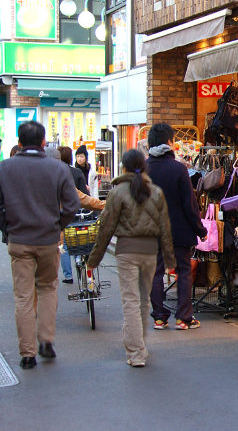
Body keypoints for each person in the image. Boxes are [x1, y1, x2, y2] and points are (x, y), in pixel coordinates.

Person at [0, 121, 80, 369]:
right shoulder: (56, 169)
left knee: (23, 297)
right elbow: (72, 206)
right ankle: (46, 339)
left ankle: (27, 354)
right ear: (44, 142)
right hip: (47, 239)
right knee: (47, 288)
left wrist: (7, 227)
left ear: (20, 142)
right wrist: (58, 226)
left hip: (19, 240)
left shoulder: (5, 168)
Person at [86, 149, 175, 367]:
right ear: (144, 167)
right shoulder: (156, 192)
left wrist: (94, 259)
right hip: (150, 252)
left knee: (131, 301)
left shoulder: (117, 193)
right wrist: (171, 260)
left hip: (127, 251)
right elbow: (165, 228)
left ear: (123, 167)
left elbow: (106, 228)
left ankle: (136, 353)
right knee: (143, 300)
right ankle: (140, 345)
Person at [147, 123, 207, 330]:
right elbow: (189, 204)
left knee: (155, 272)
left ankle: (159, 318)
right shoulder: (179, 169)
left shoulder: (142, 169)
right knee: (183, 271)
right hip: (178, 231)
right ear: (170, 142)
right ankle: (183, 318)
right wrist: (201, 230)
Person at [57, 146, 104, 284]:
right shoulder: (75, 172)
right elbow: (84, 197)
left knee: (65, 245)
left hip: (61, 218)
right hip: (79, 213)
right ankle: (83, 263)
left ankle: (68, 275)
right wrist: (103, 205)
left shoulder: (51, 175)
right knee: (83, 240)